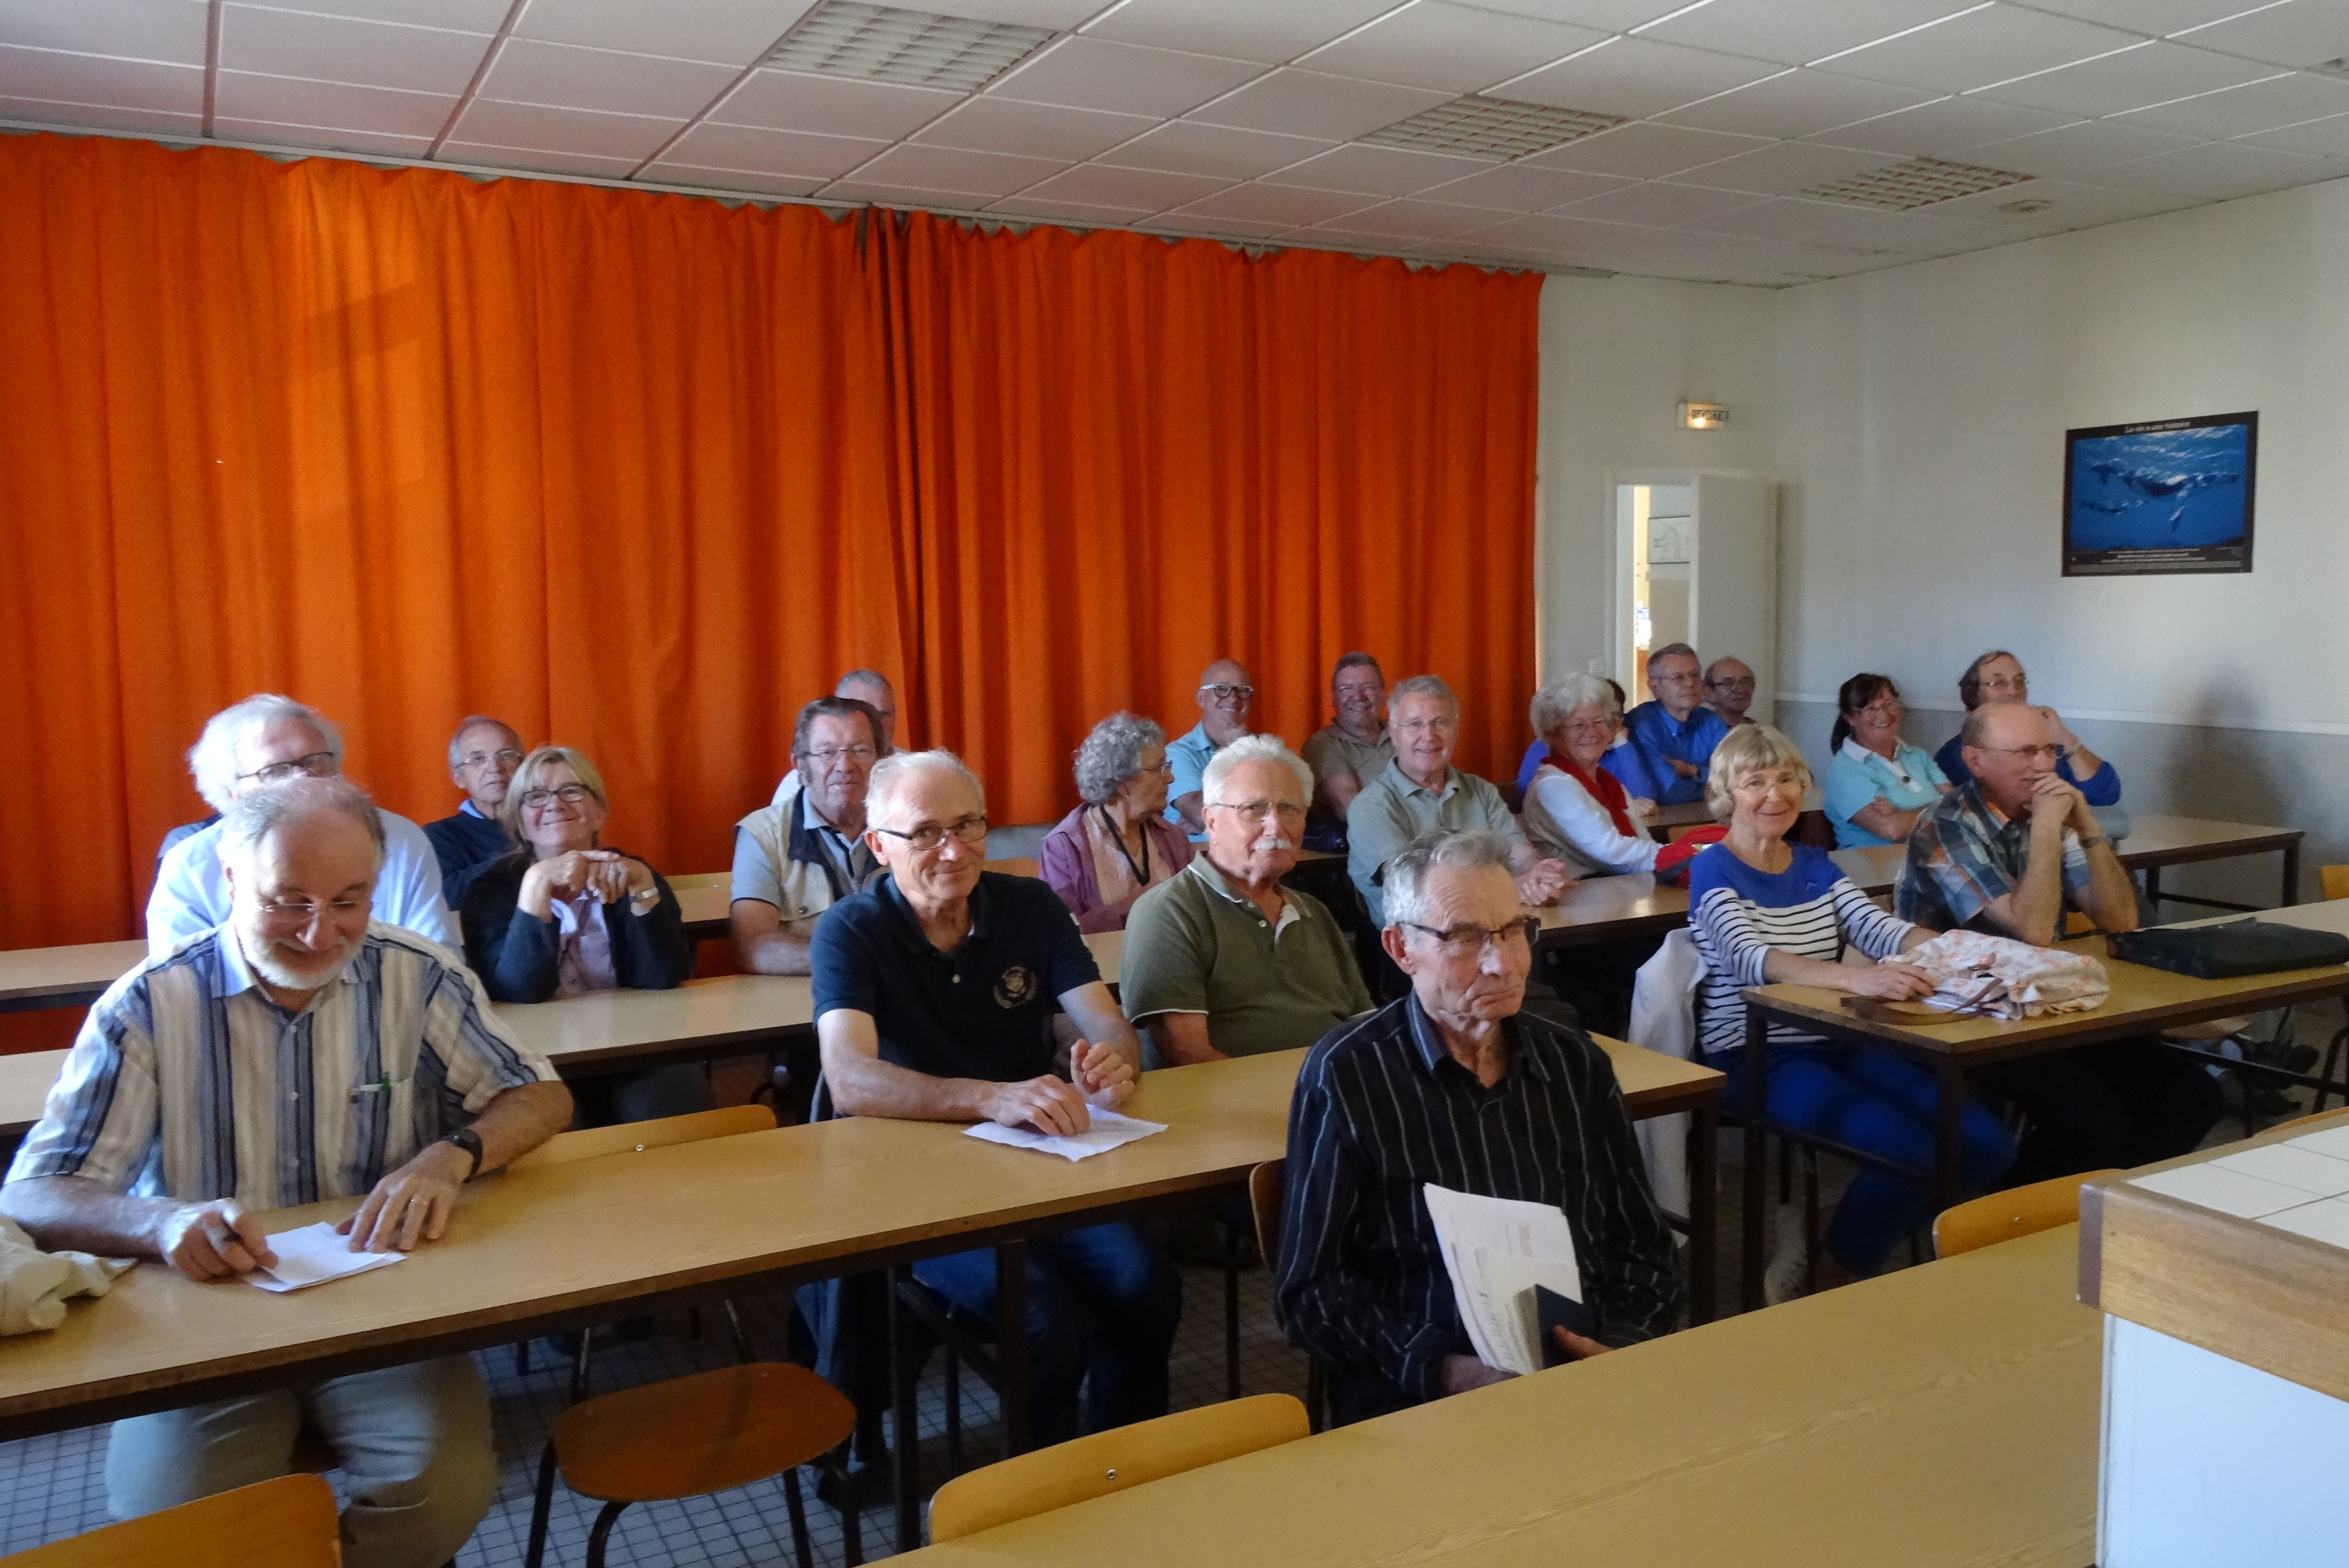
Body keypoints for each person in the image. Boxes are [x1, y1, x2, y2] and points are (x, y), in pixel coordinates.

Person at [3, 777, 571, 1568]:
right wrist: (162, 1222)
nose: (319, 932)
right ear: (231, 879)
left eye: (348, 901)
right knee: (174, 1524)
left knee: (443, 1488)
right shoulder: (150, 1002)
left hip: (383, 1303)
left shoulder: (417, 974)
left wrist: (452, 1154)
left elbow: (539, 1094)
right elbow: (35, 1190)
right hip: (206, 1313)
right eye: (288, 902)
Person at [812, 750, 1178, 1446]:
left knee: (1145, 1283)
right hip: (913, 1177)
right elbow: (850, 1079)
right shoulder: (851, 929)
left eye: (967, 825)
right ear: (879, 846)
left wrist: (1112, 1063)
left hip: (1034, 1157)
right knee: (1044, 1315)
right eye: (925, 833)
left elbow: (1107, 1024)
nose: (954, 850)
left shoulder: (1029, 906)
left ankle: (1121, 1459)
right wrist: (991, 1097)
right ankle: (1041, 1482)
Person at [1276, 828, 1680, 1424]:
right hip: (1420, 1398)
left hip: (1585, 1374)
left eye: (1513, 930)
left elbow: (1645, 1248)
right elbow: (1310, 1292)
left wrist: (1617, 1348)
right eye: (1465, 938)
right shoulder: (1348, 1074)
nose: (1502, 963)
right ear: (1400, 948)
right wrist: (1446, 1370)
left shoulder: (1574, 1064)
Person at [1687, 724, 2013, 1297]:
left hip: (1834, 1036)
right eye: (1754, 782)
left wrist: (1974, 953)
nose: (1774, 794)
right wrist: (1858, 978)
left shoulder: (1813, 862)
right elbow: (1749, 958)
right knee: (1906, 1151)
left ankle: (1831, 1231)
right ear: (1725, 794)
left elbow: (1877, 929)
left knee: (1986, 1144)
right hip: (1752, 1053)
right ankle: (1837, 1268)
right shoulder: (1713, 867)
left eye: (1786, 779)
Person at [1900, 701, 2222, 1183]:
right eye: (2024, 752)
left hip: (2044, 1001)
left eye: (2048, 750)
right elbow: (2030, 929)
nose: (2043, 765)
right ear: (1975, 761)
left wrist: (2087, 827)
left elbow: (2120, 919)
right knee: (2091, 1119)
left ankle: (2098, 1204)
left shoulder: (2046, 810)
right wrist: (2048, 827)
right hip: (1965, 1012)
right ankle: (2008, 1218)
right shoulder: (1944, 825)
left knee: (2192, 1097)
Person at [1121, 736, 1371, 1067]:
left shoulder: (1314, 912)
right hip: (1233, 1096)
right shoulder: (1169, 911)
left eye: (1289, 808)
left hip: (1333, 1090)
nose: (1275, 826)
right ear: (1211, 821)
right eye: (1254, 809)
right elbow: (1187, 1056)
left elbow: (1364, 1028)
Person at [148, 694, 453, 958]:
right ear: (233, 793)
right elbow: (180, 983)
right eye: (275, 771)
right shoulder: (191, 866)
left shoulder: (400, 841)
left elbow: (436, 959)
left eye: (313, 761)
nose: (301, 779)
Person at [1346, 676, 1571, 928]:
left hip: (1495, 929)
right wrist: (1509, 888)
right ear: (1393, 733)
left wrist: (1539, 874)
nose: (1429, 735)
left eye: (1440, 723)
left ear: (1455, 730)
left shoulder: (1481, 791)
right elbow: (1413, 888)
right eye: (1415, 724)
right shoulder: (1370, 806)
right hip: (1417, 942)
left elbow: (1520, 854)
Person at [733, 696, 885, 976]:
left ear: (881, 761)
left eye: (860, 750)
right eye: (827, 753)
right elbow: (757, 949)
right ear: (802, 768)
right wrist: (858, 959)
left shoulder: (909, 828)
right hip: (804, 995)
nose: (845, 765)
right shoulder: (762, 835)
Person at [1039, 712, 1194, 933]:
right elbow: (1060, 930)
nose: (1170, 778)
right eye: (1159, 768)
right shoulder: (1063, 847)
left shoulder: (1172, 837)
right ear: (1121, 781)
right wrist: (1135, 906)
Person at [1521, 673, 1667, 878]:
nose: (1592, 732)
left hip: (1621, 887)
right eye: (1578, 725)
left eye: (1599, 721)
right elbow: (1610, 852)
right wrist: (1678, 854)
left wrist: (1677, 855)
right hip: (1580, 892)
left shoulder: (1606, 781)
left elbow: (1643, 842)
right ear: (1553, 734)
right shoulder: (1553, 785)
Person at [1932, 651, 2121, 808]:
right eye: (1998, 683)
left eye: (2019, 681)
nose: (2013, 691)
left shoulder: (2048, 742)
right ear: (1973, 694)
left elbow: (2105, 794)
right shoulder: (1957, 754)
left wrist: (2066, 739)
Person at [1821, 674, 1950, 848]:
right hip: (1874, 861)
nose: (1883, 715)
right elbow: (1891, 830)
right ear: (1850, 718)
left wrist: (1900, 814)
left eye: (1889, 704)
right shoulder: (1844, 771)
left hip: (1932, 853)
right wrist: (1942, 811)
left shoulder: (1917, 755)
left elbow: (1957, 804)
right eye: (1870, 709)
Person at [422, 715, 524, 907]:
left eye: (505, 755)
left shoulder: (547, 820)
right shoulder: (440, 836)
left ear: (523, 766)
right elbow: (446, 897)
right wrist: (526, 858)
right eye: (478, 759)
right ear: (459, 778)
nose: (495, 768)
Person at [1613, 643, 1729, 808]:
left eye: (1695, 675)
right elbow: (1666, 793)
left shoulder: (1712, 721)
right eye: (1678, 678)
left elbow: (1735, 780)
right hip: (1660, 820)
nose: (1690, 683)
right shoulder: (1640, 723)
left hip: (1710, 816)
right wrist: (1710, 782)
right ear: (1655, 688)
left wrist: (1693, 770)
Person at [771, 669, 901, 808]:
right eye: (864, 714)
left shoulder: (913, 771)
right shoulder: (799, 786)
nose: (877, 724)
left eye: (884, 714)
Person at [1301, 652, 1392, 846]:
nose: (1358, 697)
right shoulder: (1323, 744)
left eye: (1368, 688)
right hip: (1374, 846)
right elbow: (1350, 808)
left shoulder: (1404, 731)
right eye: (1346, 689)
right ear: (1334, 698)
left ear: (1383, 694)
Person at [1165, 658, 1253, 841]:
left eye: (1242, 690)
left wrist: (1214, 816)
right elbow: (1201, 815)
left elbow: (1285, 813)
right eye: (1221, 689)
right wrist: (1233, 753)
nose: (1233, 698)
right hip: (1199, 856)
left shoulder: (1266, 749)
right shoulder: (1177, 754)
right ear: (1201, 699)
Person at [1705, 656, 1757, 727]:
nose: (1740, 690)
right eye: (1728, 683)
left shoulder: (1762, 732)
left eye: (1745, 682)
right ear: (1710, 692)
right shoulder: (1700, 731)